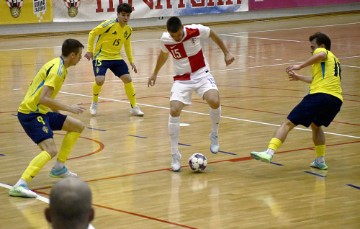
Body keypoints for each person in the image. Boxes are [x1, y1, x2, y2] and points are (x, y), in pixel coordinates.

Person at [148, 16, 235, 172]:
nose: (176, 39)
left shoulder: (196, 30)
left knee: (214, 100)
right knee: (174, 109)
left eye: (178, 35)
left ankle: (214, 134)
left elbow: (213, 34)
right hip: (182, 79)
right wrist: (154, 73)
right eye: (173, 36)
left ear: (182, 28)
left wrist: (226, 52)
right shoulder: (165, 39)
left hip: (202, 73)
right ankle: (175, 154)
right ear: (169, 32)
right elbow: (163, 55)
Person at [251, 32, 343, 170]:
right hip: (336, 100)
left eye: (313, 47)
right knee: (316, 126)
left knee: (287, 123)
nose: (311, 50)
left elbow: (321, 54)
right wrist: (299, 77)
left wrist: (300, 66)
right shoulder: (335, 61)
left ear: (322, 46)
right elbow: (316, 80)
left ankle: (269, 152)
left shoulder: (323, 52)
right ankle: (320, 160)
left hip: (320, 96)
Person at [9, 39, 86, 198]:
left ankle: (59, 168)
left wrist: (57, 110)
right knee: (50, 150)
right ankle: (20, 184)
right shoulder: (58, 71)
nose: (80, 58)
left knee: (77, 126)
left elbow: (44, 96)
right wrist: (69, 108)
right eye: (79, 55)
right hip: (31, 114)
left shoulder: (59, 65)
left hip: (41, 111)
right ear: (72, 55)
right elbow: (43, 98)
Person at [84, 3, 144, 117]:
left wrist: (131, 61)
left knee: (128, 78)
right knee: (99, 80)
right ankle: (94, 103)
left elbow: (127, 45)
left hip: (116, 57)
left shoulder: (128, 30)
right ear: (118, 14)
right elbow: (92, 33)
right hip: (101, 56)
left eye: (128, 15)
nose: (126, 18)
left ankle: (134, 107)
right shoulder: (109, 24)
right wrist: (90, 50)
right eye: (123, 15)